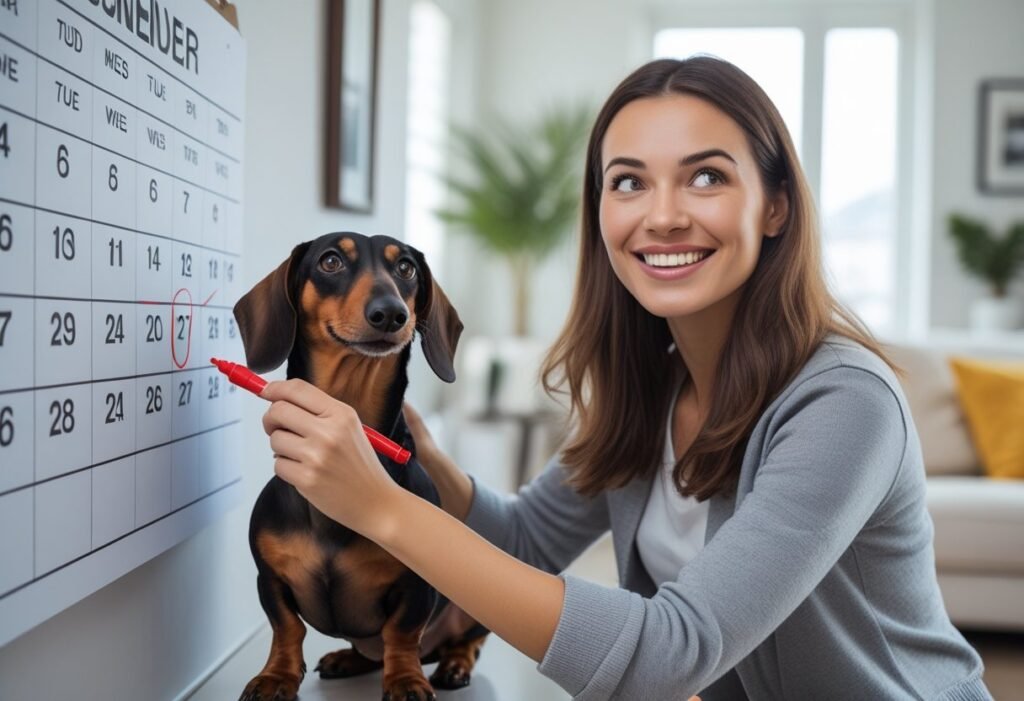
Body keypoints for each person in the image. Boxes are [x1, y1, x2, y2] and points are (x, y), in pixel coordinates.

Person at [259, 57, 993, 700]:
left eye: (706, 176)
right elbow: (525, 540)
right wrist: (416, 453)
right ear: (602, 209)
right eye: (629, 181)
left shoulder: (845, 403)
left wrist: (383, 507)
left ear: (774, 204)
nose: (663, 215)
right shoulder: (649, 386)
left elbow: (667, 652)